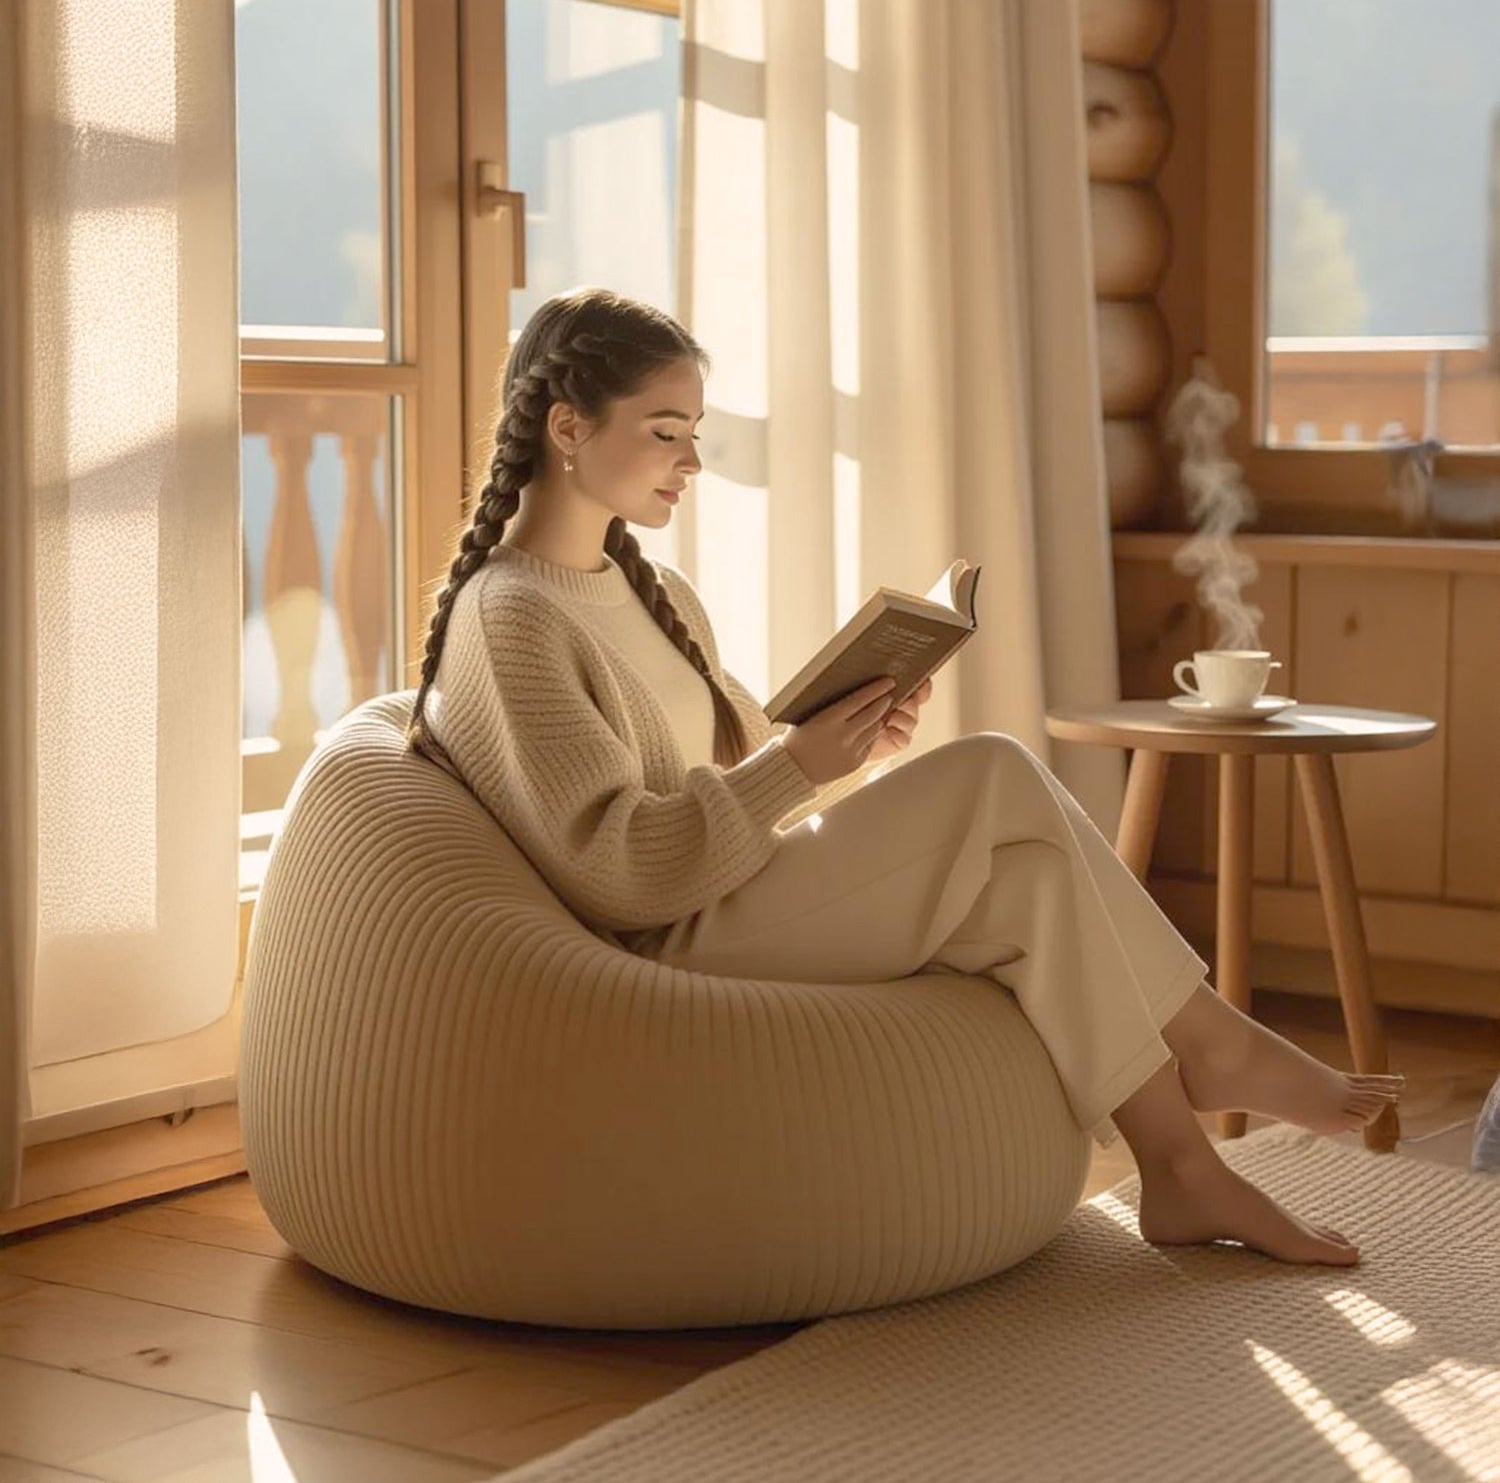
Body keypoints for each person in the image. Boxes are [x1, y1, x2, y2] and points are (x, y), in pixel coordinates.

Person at [405, 287, 1403, 1268]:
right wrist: (796, 765)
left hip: (729, 893)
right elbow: (621, 873)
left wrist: (849, 749)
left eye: (695, 431)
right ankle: (1214, 1043)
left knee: (1032, 880)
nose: (694, 462)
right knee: (996, 772)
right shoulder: (514, 618)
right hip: (665, 946)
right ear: (569, 428)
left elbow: (739, 779)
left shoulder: (654, 590)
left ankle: (1181, 1168)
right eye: (667, 432)